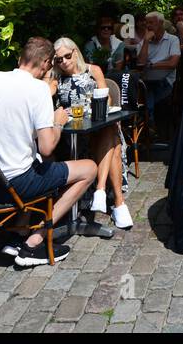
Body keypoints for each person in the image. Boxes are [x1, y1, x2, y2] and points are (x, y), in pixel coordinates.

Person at [0, 38, 98, 268]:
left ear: (20, 59)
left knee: (39, 162)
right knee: (89, 168)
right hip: (15, 186)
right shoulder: (38, 89)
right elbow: (47, 146)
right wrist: (58, 122)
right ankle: (33, 242)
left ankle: (17, 233)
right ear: (47, 64)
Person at [53, 37, 132, 230]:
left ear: (76, 52)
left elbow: (107, 100)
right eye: (58, 59)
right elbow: (46, 94)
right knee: (112, 140)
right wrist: (50, 74)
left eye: (67, 56)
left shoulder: (93, 70)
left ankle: (101, 190)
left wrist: (98, 100)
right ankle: (117, 203)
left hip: (95, 125)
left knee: (109, 131)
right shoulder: (56, 77)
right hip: (70, 132)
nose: (64, 61)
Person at [137, 11, 180, 145]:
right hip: (146, 82)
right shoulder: (144, 41)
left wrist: (152, 65)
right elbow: (141, 63)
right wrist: (145, 42)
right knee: (143, 90)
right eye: (146, 23)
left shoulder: (172, 40)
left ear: (161, 23)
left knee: (147, 94)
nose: (148, 26)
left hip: (165, 81)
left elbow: (173, 63)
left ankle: (149, 130)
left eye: (151, 23)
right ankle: (151, 130)